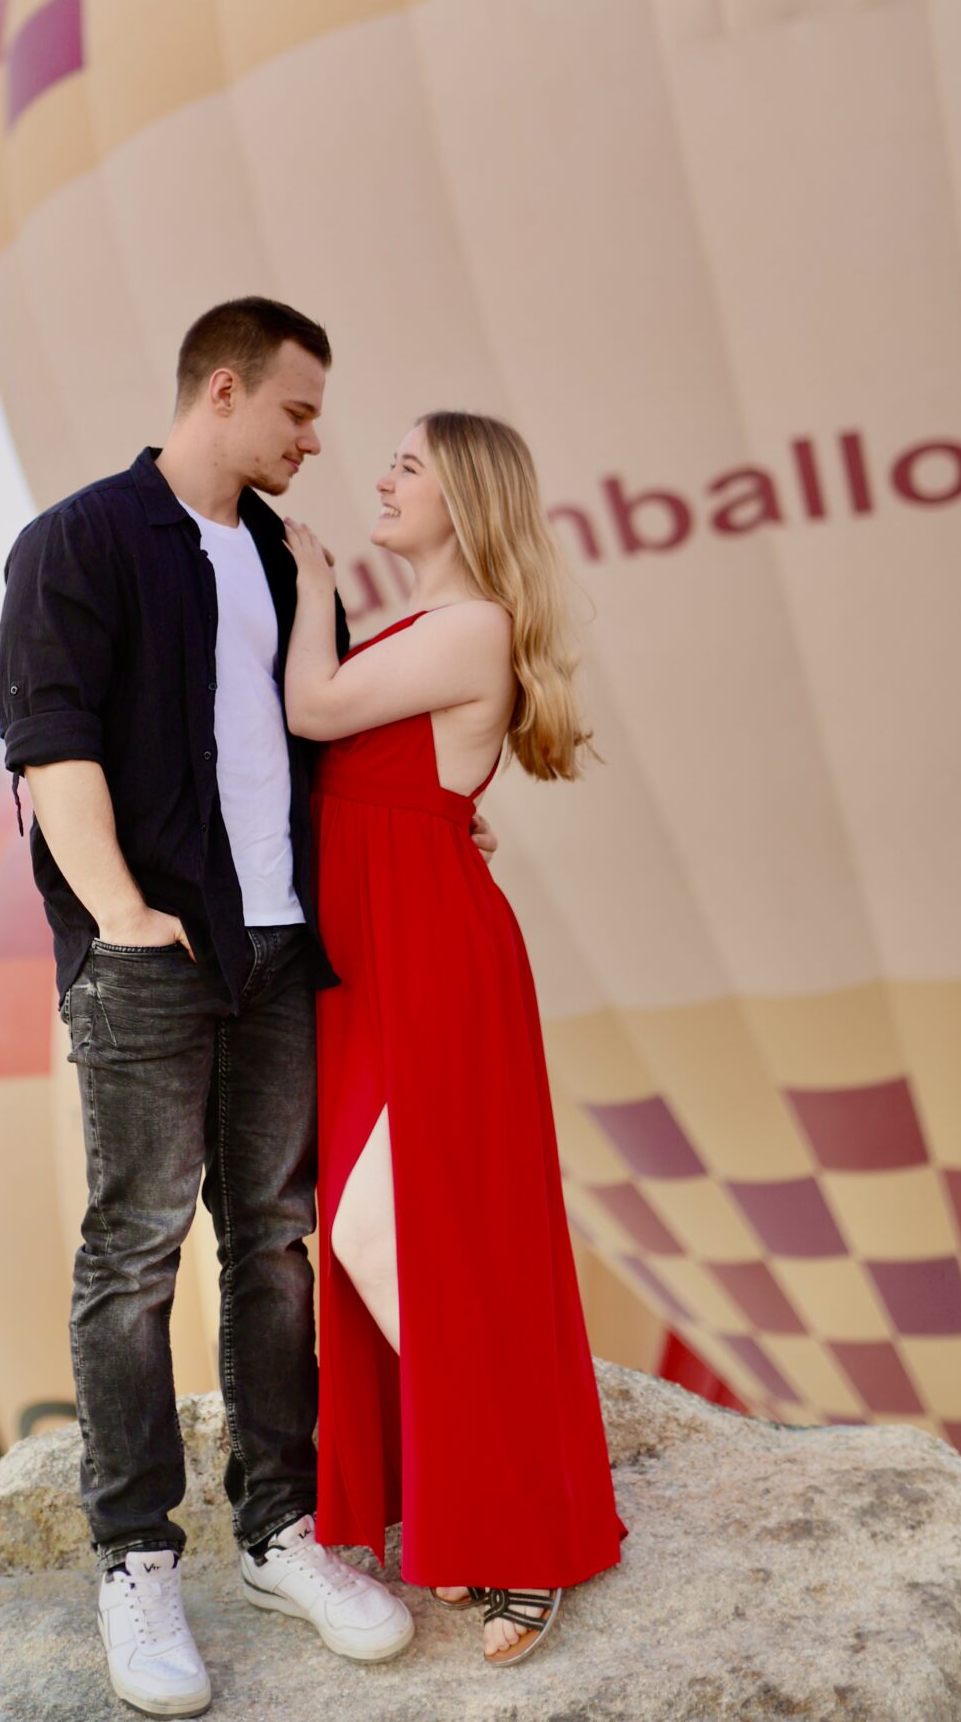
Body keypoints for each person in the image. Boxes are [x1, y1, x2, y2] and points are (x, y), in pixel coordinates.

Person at [0, 300, 496, 1718]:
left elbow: (323, 731)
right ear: (222, 391)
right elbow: (50, 740)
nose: (315, 439)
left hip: (283, 946)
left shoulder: (284, 558)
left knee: (273, 1241)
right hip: (151, 949)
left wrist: (444, 816)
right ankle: (136, 1557)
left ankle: (280, 1531)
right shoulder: (80, 540)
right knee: (137, 1246)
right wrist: (118, 913)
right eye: (297, 411)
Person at [282, 409, 627, 1669]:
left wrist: (307, 578)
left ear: (464, 498)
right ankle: (472, 1501)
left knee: (390, 1232)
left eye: (408, 465)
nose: (383, 478)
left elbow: (314, 708)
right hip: (378, 948)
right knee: (393, 1230)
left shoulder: (472, 621)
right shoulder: (432, 625)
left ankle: (520, 1528)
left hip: (424, 951)